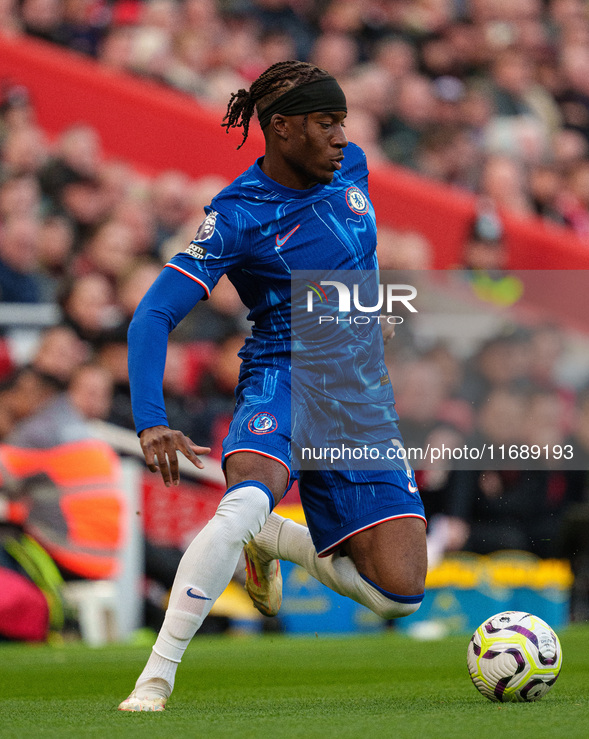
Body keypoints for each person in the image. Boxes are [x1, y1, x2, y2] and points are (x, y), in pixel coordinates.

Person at [119, 60, 427, 712]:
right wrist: (151, 417)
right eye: (326, 122)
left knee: (397, 594)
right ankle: (155, 679)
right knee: (243, 499)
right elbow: (152, 314)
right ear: (282, 129)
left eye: (342, 121)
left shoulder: (352, 167)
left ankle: (273, 538)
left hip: (360, 398)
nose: (342, 135)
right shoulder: (235, 217)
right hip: (283, 377)